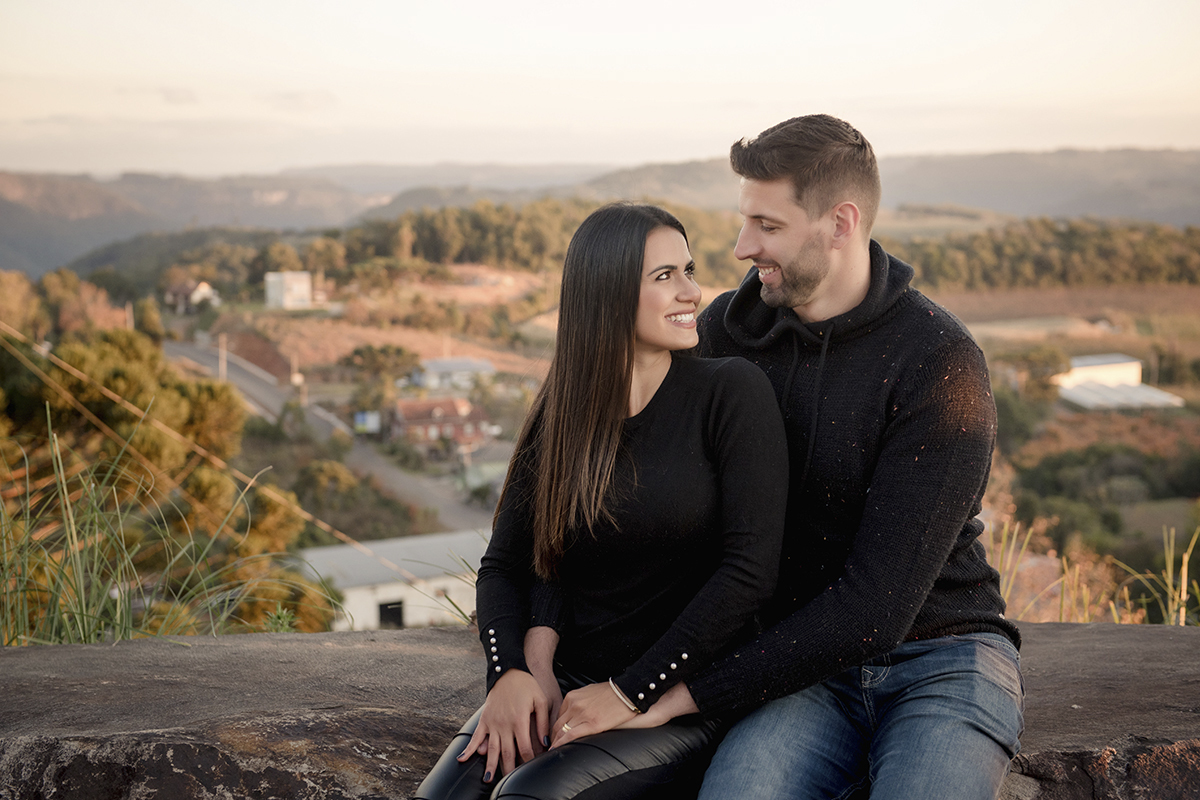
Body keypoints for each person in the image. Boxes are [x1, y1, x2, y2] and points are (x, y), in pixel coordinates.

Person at [619, 115, 1024, 799]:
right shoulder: (725, 332)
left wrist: (683, 692)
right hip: (800, 671)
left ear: (840, 223)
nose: (743, 246)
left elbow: (876, 609)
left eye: (768, 227)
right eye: (745, 221)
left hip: (943, 657)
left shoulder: (938, 363)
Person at [415, 203, 789, 800]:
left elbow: (748, 576)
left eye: (689, 270)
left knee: (527, 797)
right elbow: (505, 564)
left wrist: (629, 693)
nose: (692, 292)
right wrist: (508, 672)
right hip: (570, 682)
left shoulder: (730, 393)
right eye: (665, 276)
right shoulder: (562, 414)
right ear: (608, 292)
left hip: (674, 699)